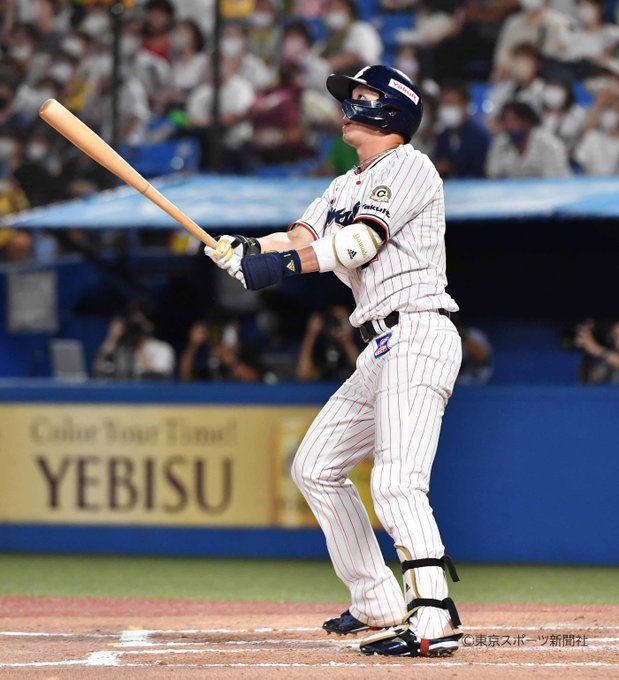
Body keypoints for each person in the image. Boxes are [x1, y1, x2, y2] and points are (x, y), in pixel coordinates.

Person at [205, 65, 463, 658]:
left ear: (393, 110)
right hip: (380, 346)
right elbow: (299, 238)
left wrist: (274, 267)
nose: (349, 105)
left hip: (418, 330)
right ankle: (377, 600)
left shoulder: (409, 167)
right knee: (316, 466)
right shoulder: (346, 184)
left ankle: (433, 616)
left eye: (363, 96)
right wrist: (244, 248)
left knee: (397, 483)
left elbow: (357, 244)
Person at [486, 100, 572, 177]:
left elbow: (558, 181)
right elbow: (493, 176)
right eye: (506, 121)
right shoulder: (500, 143)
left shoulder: (550, 145)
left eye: (514, 120)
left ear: (528, 122)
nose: (509, 125)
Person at [94, 307, 175, 380]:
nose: (136, 328)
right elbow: (98, 371)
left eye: (140, 324)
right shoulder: (119, 348)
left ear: (150, 326)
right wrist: (112, 338)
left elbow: (158, 377)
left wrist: (140, 347)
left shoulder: (163, 348)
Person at [434, 80, 491, 178]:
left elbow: (480, 169)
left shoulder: (480, 136)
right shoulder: (442, 136)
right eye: (445, 104)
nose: (448, 108)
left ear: (465, 105)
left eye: (452, 103)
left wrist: (450, 167)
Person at [297, 304, 361, 381]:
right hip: (325, 386)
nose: (337, 325)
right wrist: (311, 335)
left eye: (341, 321)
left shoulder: (360, 337)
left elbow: (363, 370)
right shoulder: (320, 341)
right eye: (334, 320)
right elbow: (304, 373)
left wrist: (347, 342)